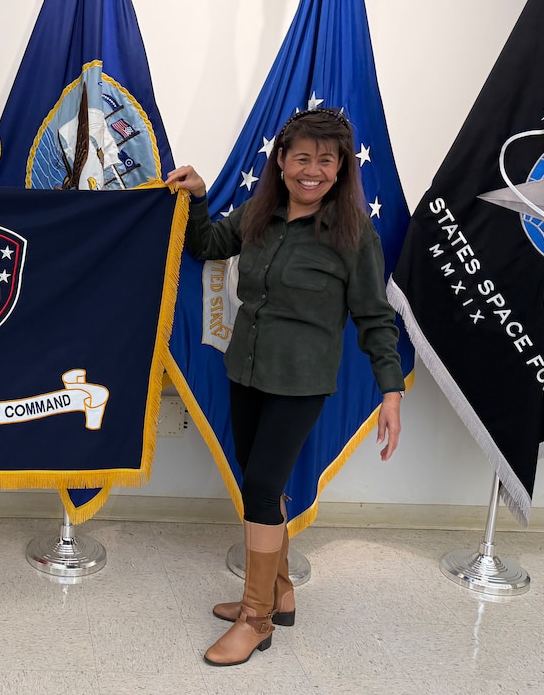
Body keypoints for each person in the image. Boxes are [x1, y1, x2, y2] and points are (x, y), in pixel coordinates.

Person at [165, 108, 403, 667]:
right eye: (302, 158)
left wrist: (391, 392)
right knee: (260, 482)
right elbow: (207, 244)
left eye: (326, 160)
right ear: (281, 160)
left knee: (262, 486)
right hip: (246, 371)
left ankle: (256, 618)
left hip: (301, 382)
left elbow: (375, 317)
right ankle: (281, 591)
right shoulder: (258, 212)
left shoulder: (353, 233)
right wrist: (197, 197)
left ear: (341, 168)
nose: (312, 170)